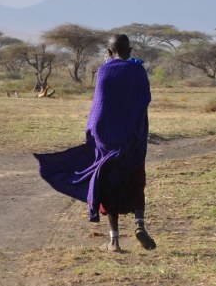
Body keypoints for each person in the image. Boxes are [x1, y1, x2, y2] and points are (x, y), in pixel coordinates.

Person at [34, 34, 156, 252]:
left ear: (109, 53)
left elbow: (99, 106)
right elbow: (144, 100)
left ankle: (114, 241)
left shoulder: (104, 71)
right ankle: (139, 224)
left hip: (106, 137)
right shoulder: (137, 71)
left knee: (109, 184)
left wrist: (92, 133)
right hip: (132, 137)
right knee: (136, 179)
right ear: (129, 51)